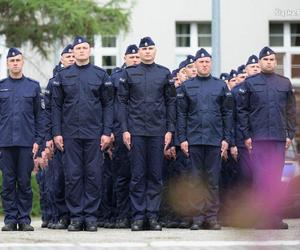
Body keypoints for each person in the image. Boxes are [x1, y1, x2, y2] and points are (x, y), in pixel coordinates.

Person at [52, 36, 114, 232]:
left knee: (94, 175)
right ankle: (76, 217)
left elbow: (108, 105)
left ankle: (91, 217)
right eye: (77, 48)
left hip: (94, 134)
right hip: (70, 134)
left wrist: (106, 132)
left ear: (90, 50)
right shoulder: (63, 76)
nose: (80, 51)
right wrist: (57, 133)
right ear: (73, 52)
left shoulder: (101, 75)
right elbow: (56, 107)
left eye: (84, 48)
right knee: (73, 176)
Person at [118, 37, 176, 231]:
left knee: (155, 176)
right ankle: (138, 216)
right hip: (135, 131)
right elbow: (122, 103)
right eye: (144, 49)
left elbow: (171, 103)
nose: (147, 52)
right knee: (137, 175)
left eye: (150, 48)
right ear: (140, 53)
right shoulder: (129, 73)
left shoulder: (164, 73)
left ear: (155, 51)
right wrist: (125, 129)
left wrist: (170, 130)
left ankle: (152, 216)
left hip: (157, 131)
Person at [237, 46, 296, 229]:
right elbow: (242, 111)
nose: (269, 62)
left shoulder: (284, 83)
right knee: (260, 179)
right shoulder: (250, 83)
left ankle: (275, 218)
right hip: (258, 138)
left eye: (272, 60)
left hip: (278, 138)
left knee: (274, 178)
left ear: (275, 62)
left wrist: (290, 134)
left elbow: (291, 111)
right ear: (260, 62)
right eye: (265, 60)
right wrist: (246, 135)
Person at [177, 48, 233, 230]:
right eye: (201, 62)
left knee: (212, 181)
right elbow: (181, 115)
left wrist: (226, 139)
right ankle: (197, 218)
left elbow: (227, 114)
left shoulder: (220, 86)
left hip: (214, 140)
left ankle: (211, 217)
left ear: (211, 63)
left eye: (207, 61)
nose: (204, 64)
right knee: (195, 181)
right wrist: (182, 139)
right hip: (193, 140)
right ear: (195, 65)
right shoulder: (187, 87)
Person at [0, 48, 44, 231]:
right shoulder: (1, 86)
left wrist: (38, 141)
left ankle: (24, 219)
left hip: (27, 143)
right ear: (7, 64)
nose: (15, 63)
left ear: (22, 62)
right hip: (5, 143)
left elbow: (39, 116)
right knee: (8, 182)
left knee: (25, 182)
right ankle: (10, 219)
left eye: (18, 60)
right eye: (12, 61)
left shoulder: (33, 87)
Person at [41, 44, 75, 230]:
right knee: (60, 178)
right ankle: (62, 216)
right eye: (67, 55)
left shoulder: (81, 78)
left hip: (78, 134)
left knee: (77, 177)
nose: (71, 58)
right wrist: (49, 138)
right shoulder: (54, 82)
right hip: (59, 137)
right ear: (61, 59)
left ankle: (77, 215)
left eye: (73, 55)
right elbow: (47, 113)